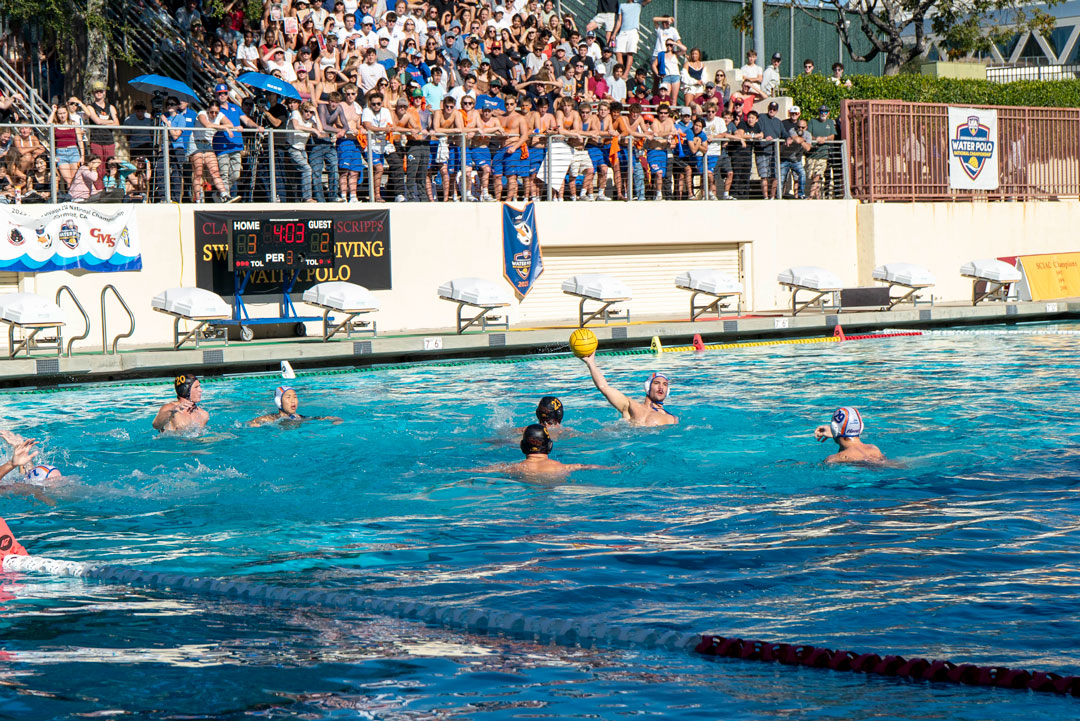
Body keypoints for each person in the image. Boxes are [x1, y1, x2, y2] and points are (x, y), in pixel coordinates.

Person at [580, 353, 678, 426]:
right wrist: (590, 363)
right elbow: (604, 387)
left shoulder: (671, 419)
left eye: (665, 384)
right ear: (647, 387)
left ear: (667, 390)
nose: (661, 387)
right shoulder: (631, 406)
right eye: (656, 383)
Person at [477, 424, 606, 476]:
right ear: (549, 446)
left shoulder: (510, 468)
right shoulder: (565, 467)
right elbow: (591, 467)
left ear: (522, 446)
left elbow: (475, 471)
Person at [814, 407, 885, 464]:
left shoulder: (834, 459)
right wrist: (836, 433)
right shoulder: (874, 449)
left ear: (834, 428)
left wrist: (837, 434)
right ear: (861, 427)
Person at [249, 386, 343, 426]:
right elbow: (248, 423)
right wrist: (252, 424)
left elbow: (321, 418)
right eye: (288, 397)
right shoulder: (270, 418)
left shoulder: (300, 417)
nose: (293, 400)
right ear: (279, 402)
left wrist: (336, 419)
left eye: (295, 397)